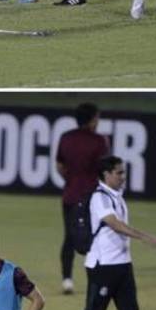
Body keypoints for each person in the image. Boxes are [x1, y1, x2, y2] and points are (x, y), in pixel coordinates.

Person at [68, 155, 156, 310]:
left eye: (123, 172)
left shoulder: (115, 196)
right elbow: (115, 224)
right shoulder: (100, 198)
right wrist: (145, 237)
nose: (123, 176)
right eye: (119, 172)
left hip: (122, 265)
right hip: (103, 267)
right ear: (106, 175)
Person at [54, 103, 110, 294]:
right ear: (93, 119)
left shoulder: (66, 138)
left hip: (70, 194)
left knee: (69, 237)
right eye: (97, 118)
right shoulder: (100, 141)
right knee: (97, 238)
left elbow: (60, 166)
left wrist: (70, 180)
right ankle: (97, 280)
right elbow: (104, 171)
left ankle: (67, 280)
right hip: (92, 197)